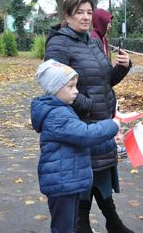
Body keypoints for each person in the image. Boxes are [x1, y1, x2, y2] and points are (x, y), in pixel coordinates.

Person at [44, 0, 134, 233]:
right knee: (83, 176)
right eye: (79, 12)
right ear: (67, 15)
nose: (85, 17)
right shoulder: (58, 43)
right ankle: (84, 224)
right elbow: (55, 86)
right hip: (81, 124)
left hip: (101, 120)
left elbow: (103, 82)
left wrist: (122, 69)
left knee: (101, 172)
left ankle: (112, 223)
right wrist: (88, 104)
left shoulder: (92, 40)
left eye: (89, 12)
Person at [30, 60, 120, 233]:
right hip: (62, 184)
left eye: (75, 86)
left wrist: (111, 143)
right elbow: (86, 135)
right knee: (64, 228)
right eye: (70, 87)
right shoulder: (57, 115)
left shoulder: (62, 109)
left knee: (71, 226)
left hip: (68, 181)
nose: (76, 91)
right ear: (55, 88)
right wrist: (112, 125)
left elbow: (79, 145)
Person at [91, 8, 128, 159]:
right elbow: (101, 76)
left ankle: (111, 145)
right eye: (108, 22)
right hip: (97, 98)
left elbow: (108, 79)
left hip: (104, 96)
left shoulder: (102, 39)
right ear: (100, 22)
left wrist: (123, 66)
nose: (110, 25)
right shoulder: (94, 39)